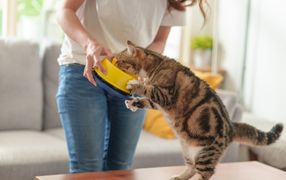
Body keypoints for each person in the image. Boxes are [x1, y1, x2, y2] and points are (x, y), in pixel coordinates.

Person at [56, 0, 206, 173]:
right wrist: (89, 43)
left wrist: (142, 64)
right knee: (87, 169)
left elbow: (159, 40)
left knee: (121, 168)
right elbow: (64, 10)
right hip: (84, 68)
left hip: (132, 81)